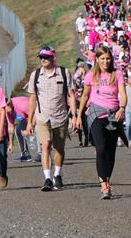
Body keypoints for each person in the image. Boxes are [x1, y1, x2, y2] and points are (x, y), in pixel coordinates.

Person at [77, 46, 127, 200]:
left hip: (113, 115)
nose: (105, 61)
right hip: (96, 114)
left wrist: (122, 108)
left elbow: (123, 95)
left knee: (111, 151)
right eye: (102, 58)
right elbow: (85, 96)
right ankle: (103, 185)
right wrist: (78, 116)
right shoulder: (91, 75)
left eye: (108, 58)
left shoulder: (117, 74)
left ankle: (107, 180)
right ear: (97, 59)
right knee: (101, 148)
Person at [25, 46, 77, 191]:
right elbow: (32, 98)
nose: (43, 59)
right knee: (46, 144)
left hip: (60, 117)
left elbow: (71, 96)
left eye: (46, 57)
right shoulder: (35, 75)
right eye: (41, 57)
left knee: (59, 148)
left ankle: (57, 174)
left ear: (53, 58)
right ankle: (47, 178)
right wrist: (29, 122)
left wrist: (74, 115)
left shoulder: (64, 73)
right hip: (42, 117)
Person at [6, 96, 34, 162]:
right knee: (18, 130)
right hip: (26, 119)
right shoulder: (7, 111)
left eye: (5, 107)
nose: (4, 110)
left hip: (36, 116)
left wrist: (29, 127)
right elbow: (10, 127)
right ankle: (25, 155)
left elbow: (35, 114)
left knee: (33, 132)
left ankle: (40, 153)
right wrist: (11, 144)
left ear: (9, 103)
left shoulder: (22, 105)